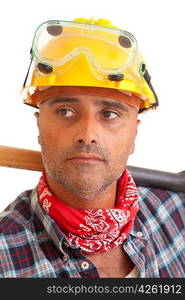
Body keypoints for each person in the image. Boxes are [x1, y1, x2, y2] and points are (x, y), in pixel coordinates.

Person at [0, 17, 184, 278]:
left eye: (110, 113)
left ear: (135, 133)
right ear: (39, 126)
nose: (87, 135)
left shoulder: (176, 213)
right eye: (65, 111)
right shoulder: (5, 256)